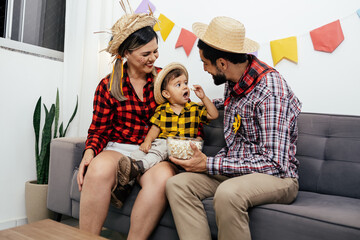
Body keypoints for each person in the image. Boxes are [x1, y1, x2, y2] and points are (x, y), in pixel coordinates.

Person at [166, 16, 302, 240]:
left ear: (222, 63)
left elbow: (274, 163)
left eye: (205, 63)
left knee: (228, 194)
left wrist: (208, 163)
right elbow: (234, 107)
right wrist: (194, 106)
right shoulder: (236, 79)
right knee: (177, 185)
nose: (204, 69)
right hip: (237, 171)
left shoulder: (270, 91)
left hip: (277, 177)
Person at [76, 7, 177, 239]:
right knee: (98, 170)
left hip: (153, 151)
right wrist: (89, 153)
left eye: (156, 51)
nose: (153, 58)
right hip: (119, 148)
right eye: (145, 53)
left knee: (162, 178)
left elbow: (183, 111)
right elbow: (99, 130)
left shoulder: (165, 80)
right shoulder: (108, 85)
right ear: (126, 54)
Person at [116, 62, 219, 187]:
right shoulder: (162, 110)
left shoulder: (194, 108)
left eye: (185, 83)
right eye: (178, 85)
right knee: (139, 153)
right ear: (166, 94)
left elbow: (214, 115)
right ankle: (126, 184)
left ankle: (140, 166)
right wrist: (147, 141)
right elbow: (155, 129)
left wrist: (203, 98)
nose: (185, 87)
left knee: (165, 144)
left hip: (183, 149)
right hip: (163, 147)